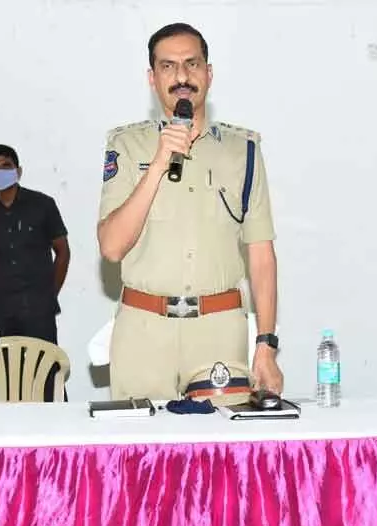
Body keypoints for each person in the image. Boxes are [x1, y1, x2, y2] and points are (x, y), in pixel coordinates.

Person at [98, 22, 283, 401]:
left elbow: (261, 255)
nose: (181, 76)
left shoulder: (243, 150)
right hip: (143, 333)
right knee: (139, 456)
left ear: (208, 73)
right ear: (152, 79)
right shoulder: (127, 145)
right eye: (168, 66)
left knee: (220, 457)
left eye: (192, 64)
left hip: (218, 331)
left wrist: (266, 344)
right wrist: (160, 160)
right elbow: (112, 248)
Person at [0, 144, 70, 344]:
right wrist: (2, 279)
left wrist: (49, 292)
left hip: (39, 310)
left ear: (18, 171)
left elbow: (63, 252)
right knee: (3, 371)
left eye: (6, 165)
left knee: (43, 369)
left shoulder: (43, 205)